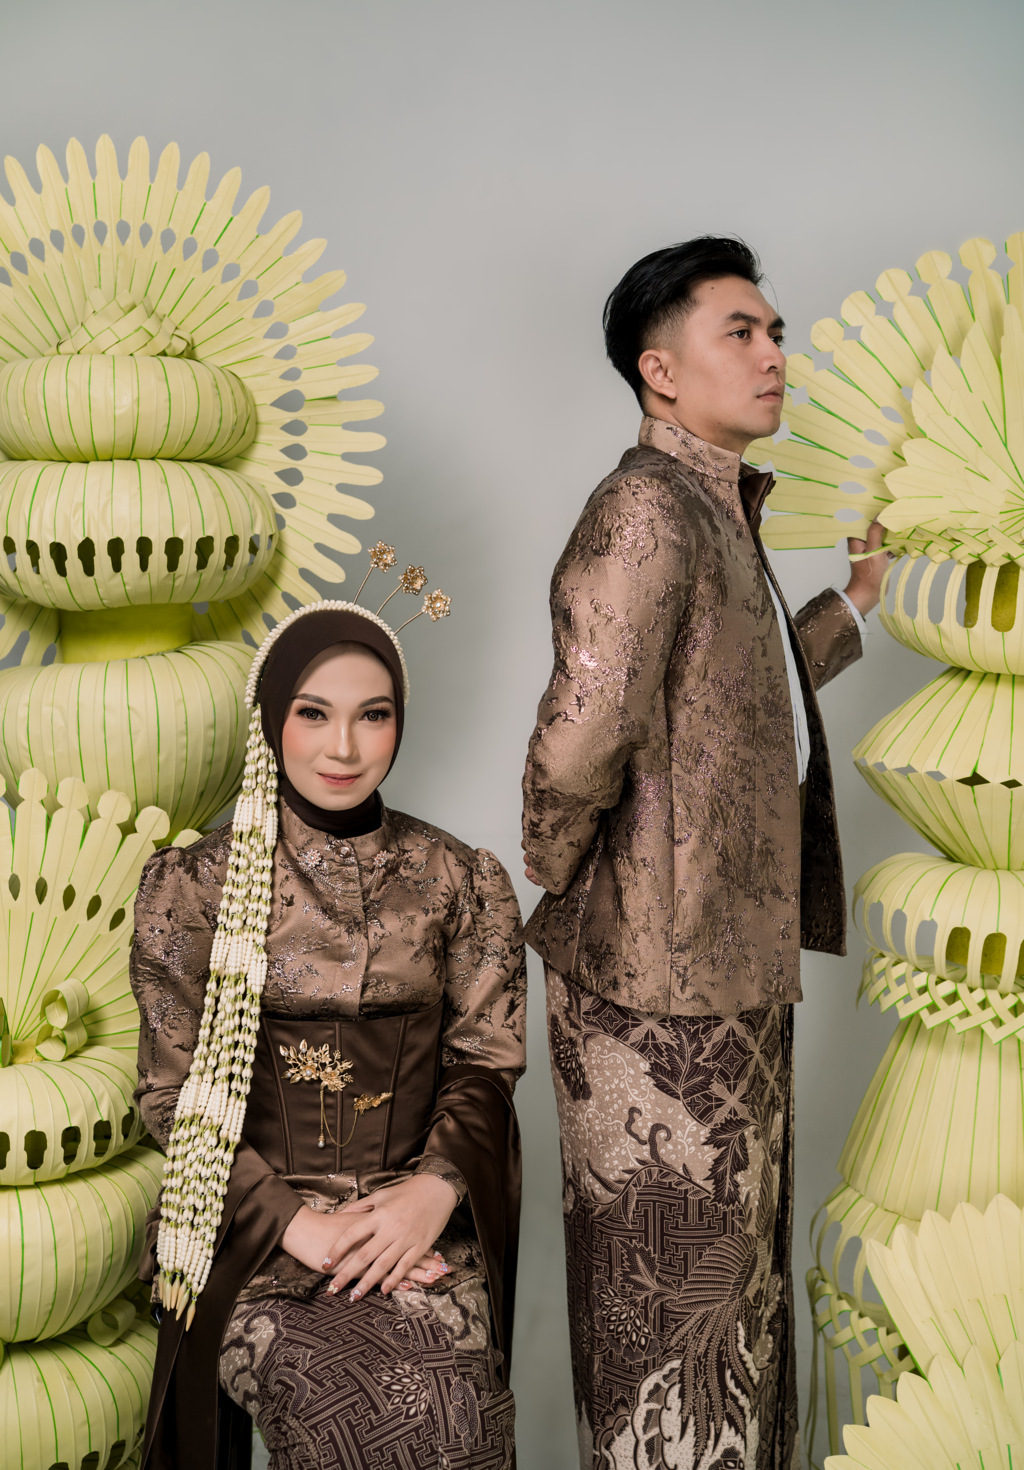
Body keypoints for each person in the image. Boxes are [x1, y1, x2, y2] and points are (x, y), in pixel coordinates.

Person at [521, 237, 889, 1469]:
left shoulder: (714, 508)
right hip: (650, 989)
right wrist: (563, 868)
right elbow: (582, 735)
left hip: (724, 965)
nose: (774, 353)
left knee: (734, 1305)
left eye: (777, 331)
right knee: (670, 1319)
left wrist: (853, 604)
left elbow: (736, 689)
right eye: (743, 330)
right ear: (660, 370)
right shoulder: (644, 509)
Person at [131, 560, 526, 1470]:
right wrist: (294, 1223)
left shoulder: (460, 879)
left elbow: (484, 1064)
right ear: (271, 718)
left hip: (415, 1228)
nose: (343, 746)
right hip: (248, 1233)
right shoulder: (192, 886)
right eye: (314, 713)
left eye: (372, 714)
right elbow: (172, 1094)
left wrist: (431, 1196)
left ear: (400, 721)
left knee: (453, 1417)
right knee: (346, 1418)